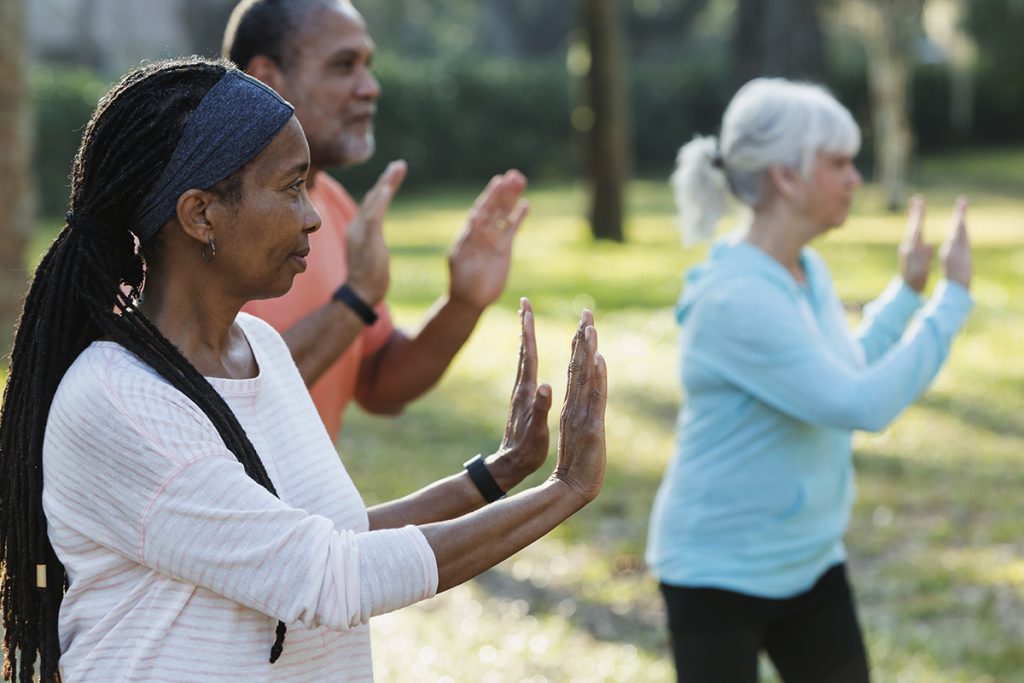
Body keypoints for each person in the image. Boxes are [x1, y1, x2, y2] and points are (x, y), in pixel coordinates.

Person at [0, 57, 607, 682]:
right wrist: (565, 492)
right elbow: (328, 578)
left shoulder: (261, 348)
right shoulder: (119, 399)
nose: (313, 216)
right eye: (292, 187)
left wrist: (497, 473)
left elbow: (328, 539)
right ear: (200, 213)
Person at [645, 78, 973, 683]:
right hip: (716, 570)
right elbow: (860, 404)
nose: (855, 177)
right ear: (786, 178)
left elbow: (839, 368)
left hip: (809, 560)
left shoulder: (802, 269)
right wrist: (951, 302)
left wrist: (906, 296)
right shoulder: (736, 297)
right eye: (839, 163)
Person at [221, 0, 525, 444]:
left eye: (367, 65)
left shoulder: (334, 205)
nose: (370, 87)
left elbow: (380, 384)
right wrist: (354, 299)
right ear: (266, 79)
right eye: (344, 65)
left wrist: (462, 303)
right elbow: (209, 404)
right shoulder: (197, 215)